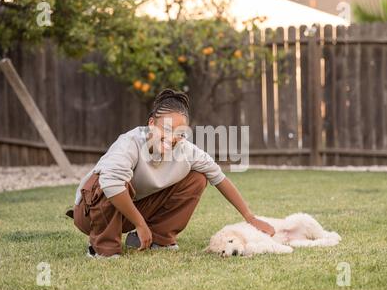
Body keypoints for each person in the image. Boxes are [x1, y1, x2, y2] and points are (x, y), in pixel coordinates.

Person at [68, 89, 275, 258]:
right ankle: (101, 248)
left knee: (197, 178)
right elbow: (110, 184)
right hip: (92, 212)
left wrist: (250, 217)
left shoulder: (187, 151)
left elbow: (219, 178)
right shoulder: (130, 142)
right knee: (112, 179)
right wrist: (140, 224)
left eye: (180, 133)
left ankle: (158, 239)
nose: (172, 137)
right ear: (151, 124)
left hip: (129, 212)